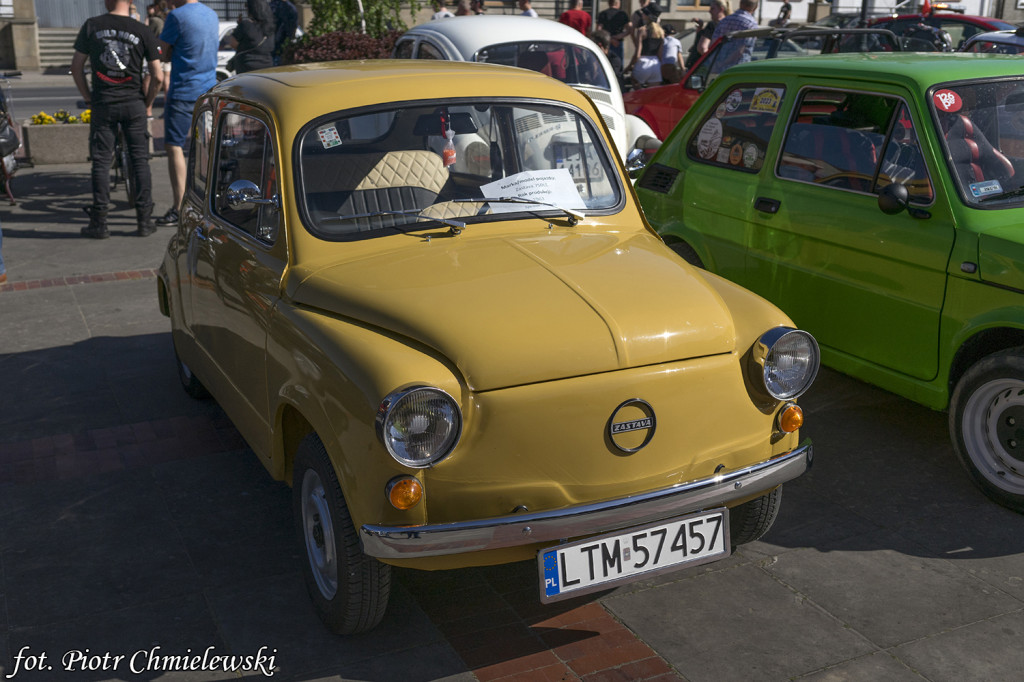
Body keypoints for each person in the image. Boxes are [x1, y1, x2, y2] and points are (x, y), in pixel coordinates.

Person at [72, 0, 163, 239]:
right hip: (133, 103)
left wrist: (89, 98)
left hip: (103, 103)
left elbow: (76, 66)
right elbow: (158, 76)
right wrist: (147, 102)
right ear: (131, 2)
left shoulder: (92, 25)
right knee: (140, 160)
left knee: (101, 161)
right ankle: (144, 220)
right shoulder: (142, 30)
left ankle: (100, 222)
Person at [155, 0, 218, 227]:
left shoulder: (177, 16)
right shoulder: (212, 15)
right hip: (209, 89)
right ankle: (209, 203)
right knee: (206, 145)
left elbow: (161, 52)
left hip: (183, 90)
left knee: (174, 146)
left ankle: (179, 207)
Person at [227, 0, 276, 74]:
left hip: (247, 67)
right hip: (267, 66)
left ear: (252, 8)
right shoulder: (270, 26)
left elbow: (233, 43)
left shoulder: (246, 24)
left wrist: (239, 27)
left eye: (247, 6)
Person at [628, 1, 664, 88]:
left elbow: (637, 55)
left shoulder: (642, 30)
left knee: (636, 89)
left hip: (643, 63)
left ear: (647, 16)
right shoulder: (661, 31)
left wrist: (629, 67)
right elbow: (660, 54)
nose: (642, 14)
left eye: (644, 13)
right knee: (652, 94)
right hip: (655, 64)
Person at [712, 0, 759, 66]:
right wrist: (725, 62)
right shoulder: (751, 24)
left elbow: (714, 44)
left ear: (740, 4)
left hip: (717, 67)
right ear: (755, 7)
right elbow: (740, 50)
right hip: (738, 69)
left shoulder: (724, 20)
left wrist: (717, 64)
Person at [685, 0, 728, 69]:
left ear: (721, 9)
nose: (709, 11)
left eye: (712, 9)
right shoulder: (728, 25)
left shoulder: (712, 25)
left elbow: (702, 48)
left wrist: (711, 61)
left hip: (699, 66)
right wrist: (700, 27)